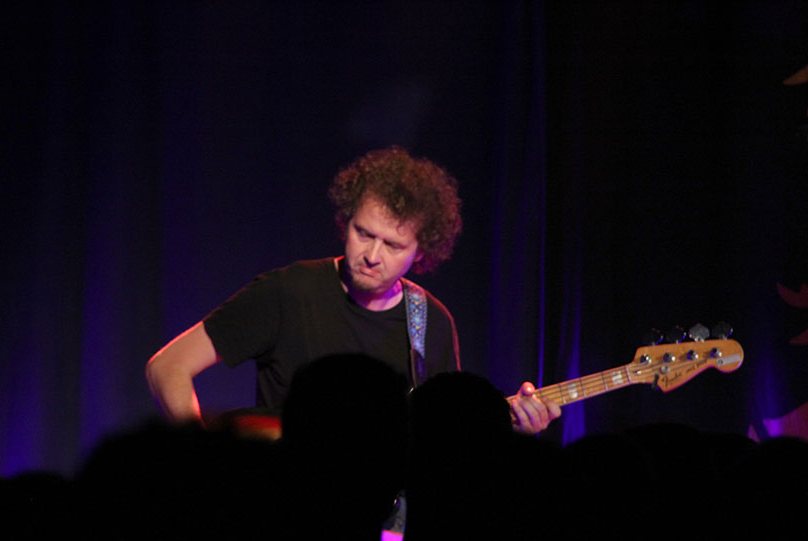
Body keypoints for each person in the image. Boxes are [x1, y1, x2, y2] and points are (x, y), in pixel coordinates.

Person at [145, 146, 561, 434]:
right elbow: (168, 367)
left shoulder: (431, 323)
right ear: (346, 221)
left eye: (393, 245)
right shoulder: (288, 292)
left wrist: (514, 430)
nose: (372, 255)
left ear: (421, 252)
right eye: (363, 233)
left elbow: (444, 443)